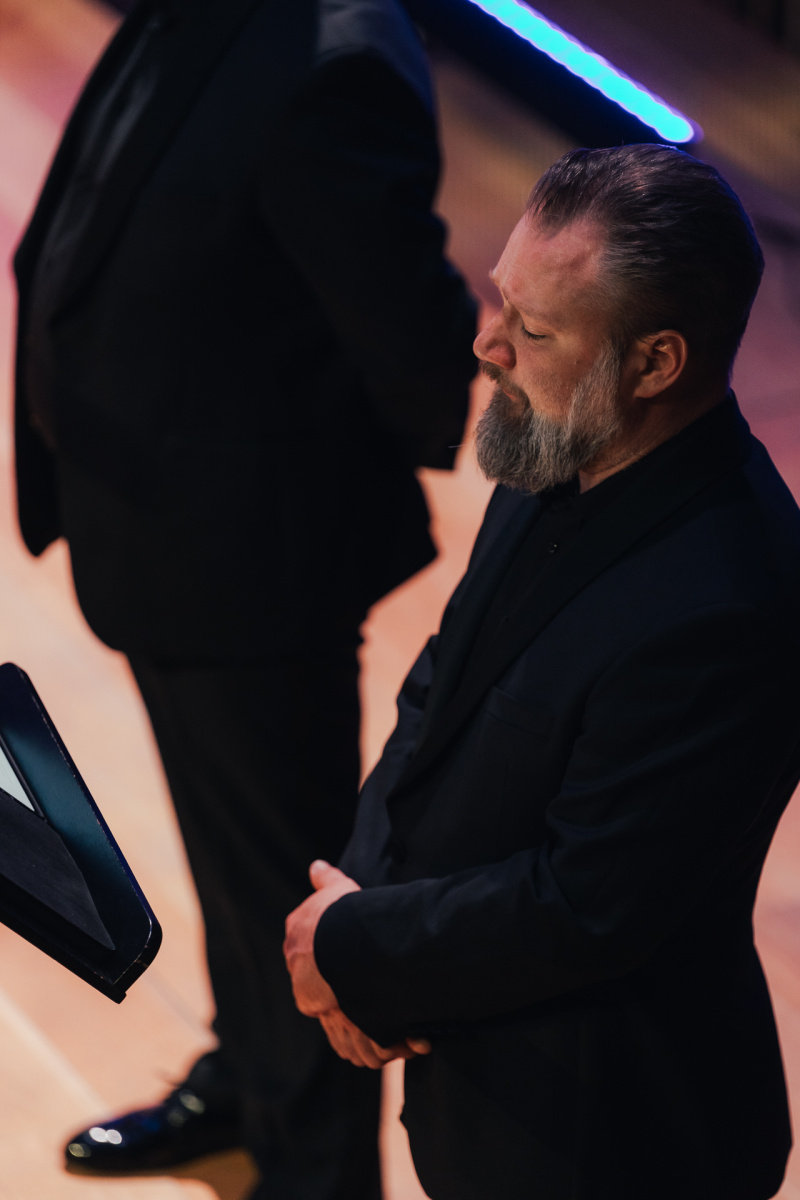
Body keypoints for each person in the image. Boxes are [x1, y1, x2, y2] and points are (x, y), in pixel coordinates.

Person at [12, 0, 476, 1195]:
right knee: (233, 868)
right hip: (159, 540)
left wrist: (279, 467)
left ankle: (316, 1166)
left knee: (283, 888)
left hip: (252, 567)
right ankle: (248, 1079)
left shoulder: (335, 60)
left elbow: (414, 341)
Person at [284, 143, 800, 1200]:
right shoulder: (555, 444)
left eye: (533, 328)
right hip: (471, 1046)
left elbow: (586, 905)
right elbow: (438, 690)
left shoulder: (730, 603)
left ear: (655, 363)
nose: (488, 344)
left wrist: (356, 945)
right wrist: (360, 906)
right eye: (499, 299)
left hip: (604, 1129)